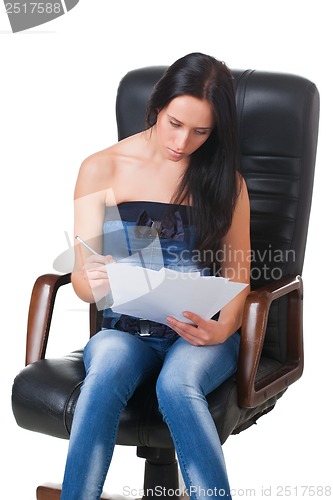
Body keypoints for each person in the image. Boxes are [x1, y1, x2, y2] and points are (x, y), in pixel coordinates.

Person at [61, 52, 251, 499]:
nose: (183, 142)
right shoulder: (101, 167)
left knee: (177, 384)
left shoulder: (228, 182)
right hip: (124, 331)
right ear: (157, 106)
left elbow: (239, 275)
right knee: (105, 370)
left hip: (197, 333)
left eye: (201, 131)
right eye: (174, 123)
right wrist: (98, 276)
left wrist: (223, 326)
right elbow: (83, 285)